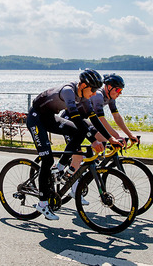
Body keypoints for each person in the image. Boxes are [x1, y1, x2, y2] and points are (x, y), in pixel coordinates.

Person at [26, 68, 120, 221]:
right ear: (83, 85)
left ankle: (60, 167)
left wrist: (110, 138)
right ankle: (42, 204)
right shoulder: (69, 91)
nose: (95, 93)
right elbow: (76, 118)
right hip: (35, 119)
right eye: (93, 89)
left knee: (79, 132)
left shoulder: (84, 95)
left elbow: (93, 119)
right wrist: (94, 141)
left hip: (49, 117)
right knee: (47, 159)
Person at [91, 73, 138, 143]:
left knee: (103, 142)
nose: (120, 93)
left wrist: (130, 135)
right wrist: (116, 136)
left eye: (121, 90)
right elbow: (101, 119)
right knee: (103, 140)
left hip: (84, 119)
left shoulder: (111, 98)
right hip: (74, 118)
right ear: (109, 87)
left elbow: (117, 117)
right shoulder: (98, 95)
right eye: (118, 90)